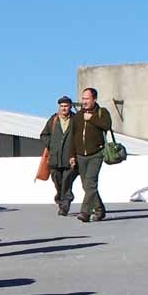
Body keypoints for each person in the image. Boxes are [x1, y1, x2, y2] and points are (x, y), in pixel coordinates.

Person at [66, 87, 112, 223]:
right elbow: (73, 136)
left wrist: (92, 119)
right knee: (87, 186)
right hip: (81, 155)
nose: (84, 101)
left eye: (87, 99)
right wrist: (72, 155)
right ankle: (99, 209)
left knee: (90, 183)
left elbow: (107, 125)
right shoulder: (78, 115)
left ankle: (85, 212)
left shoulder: (101, 112)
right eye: (83, 99)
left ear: (94, 99)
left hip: (96, 154)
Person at [39, 95, 78, 216]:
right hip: (55, 158)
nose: (63, 108)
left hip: (70, 158)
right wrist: (51, 144)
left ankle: (65, 204)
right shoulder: (53, 120)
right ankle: (61, 200)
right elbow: (44, 135)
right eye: (61, 106)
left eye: (66, 106)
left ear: (70, 106)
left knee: (67, 181)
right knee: (57, 181)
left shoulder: (76, 120)